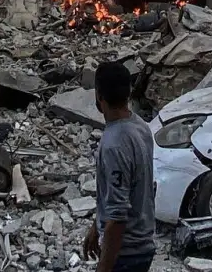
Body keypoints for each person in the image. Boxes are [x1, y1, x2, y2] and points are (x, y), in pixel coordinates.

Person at [82, 62, 156, 272]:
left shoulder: (114, 144)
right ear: (129, 92)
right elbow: (122, 190)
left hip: (127, 253)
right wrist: (96, 228)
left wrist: (103, 268)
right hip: (143, 243)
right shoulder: (140, 127)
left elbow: (118, 215)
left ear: (99, 96)